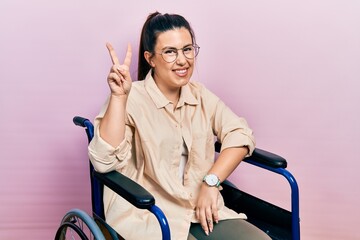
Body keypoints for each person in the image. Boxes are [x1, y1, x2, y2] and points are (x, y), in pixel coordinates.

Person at [88, 11, 271, 240]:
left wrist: (211, 182)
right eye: (170, 52)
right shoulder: (131, 97)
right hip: (148, 214)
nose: (183, 60)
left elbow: (240, 133)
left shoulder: (200, 96)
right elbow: (104, 161)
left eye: (187, 49)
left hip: (201, 209)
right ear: (150, 58)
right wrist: (118, 97)